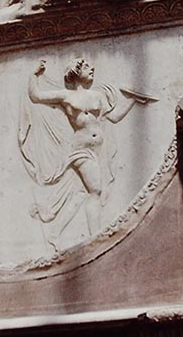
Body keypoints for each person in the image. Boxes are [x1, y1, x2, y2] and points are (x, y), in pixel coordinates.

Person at [20, 58, 154, 248]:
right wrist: (34, 74)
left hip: (97, 150)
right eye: (86, 67)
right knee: (95, 191)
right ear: (75, 72)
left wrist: (132, 101)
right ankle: (96, 237)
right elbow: (36, 96)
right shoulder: (65, 96)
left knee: (84, 194)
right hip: (81, 150)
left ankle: (54, 233)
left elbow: (113, 117)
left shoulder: (98, 96)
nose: (92, 69)